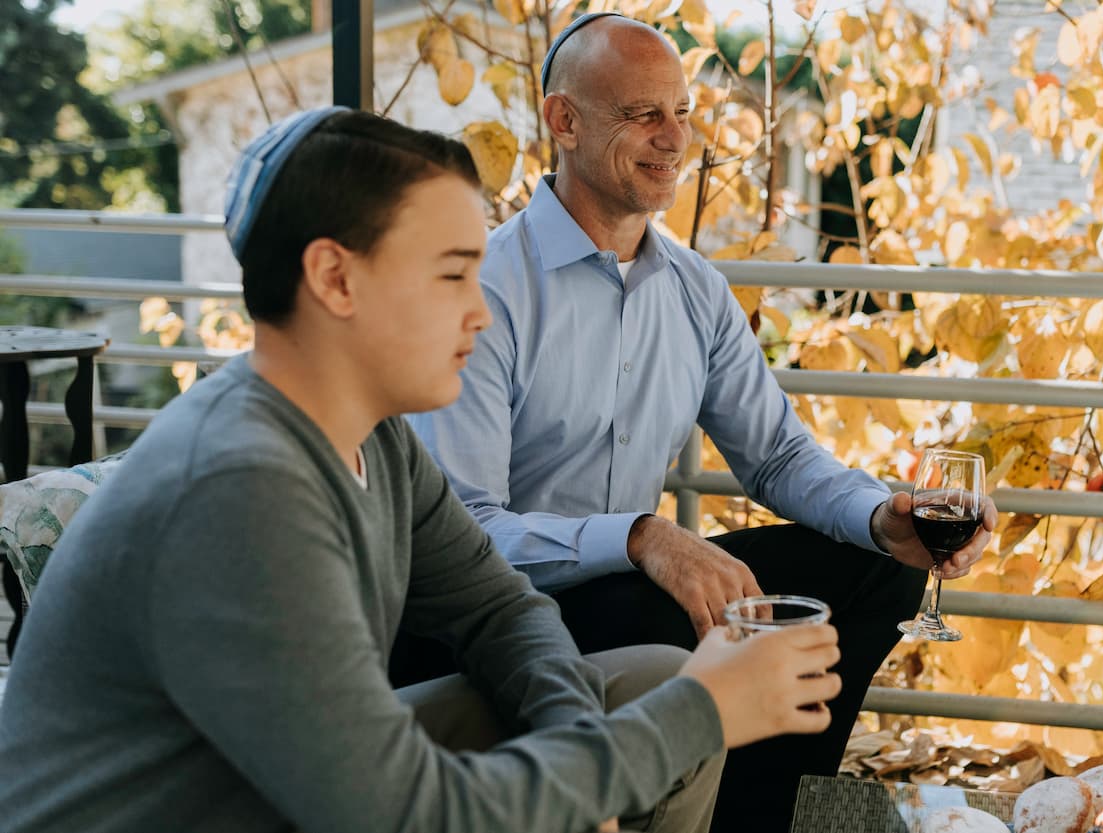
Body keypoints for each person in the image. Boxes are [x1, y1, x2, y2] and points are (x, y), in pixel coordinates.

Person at [0, 108, 846, 833]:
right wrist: (704, 709)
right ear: (335, 278)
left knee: (647, 680)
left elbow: (500, 609)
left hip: (274, 787)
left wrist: (586, 751)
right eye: (451, 274)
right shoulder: (240, 488)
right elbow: (402, 813)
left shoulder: (375, 436)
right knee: (676, 704)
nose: (480, 311)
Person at [407, 15, 999, 833]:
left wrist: (880, 516)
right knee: (678, 622)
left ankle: (760, 818)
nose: (675, 137)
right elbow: (466, 533)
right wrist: (640, 537)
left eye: (682, 112)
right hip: (507, 616)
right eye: (643, 114)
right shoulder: (488, 290)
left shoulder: (695, 289)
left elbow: (778, 456)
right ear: (564, 121)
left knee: (875, 568)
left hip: (635, 590)